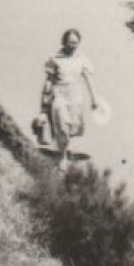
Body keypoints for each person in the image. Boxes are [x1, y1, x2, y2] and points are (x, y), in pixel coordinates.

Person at [40, 29, 98, 170]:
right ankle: (63, 157)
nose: (74, 46)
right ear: (64, 42)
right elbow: (48, 81)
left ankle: (63, 148)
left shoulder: (82, 59)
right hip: (59, 96)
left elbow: (88, 79)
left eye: (76, 43)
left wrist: (94, 98)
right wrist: (44, 103)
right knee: (61, 125)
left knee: (71, 128)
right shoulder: (55, 58)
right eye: (71, 43)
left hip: (75, 99)